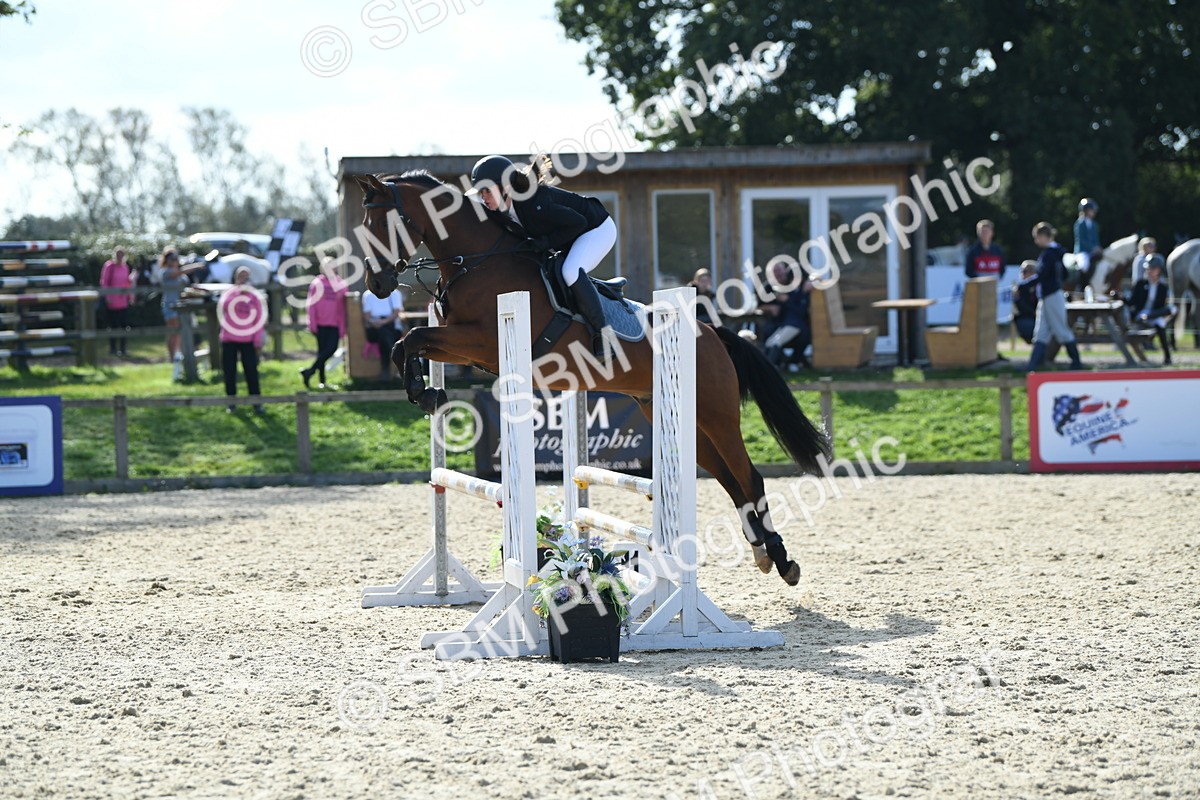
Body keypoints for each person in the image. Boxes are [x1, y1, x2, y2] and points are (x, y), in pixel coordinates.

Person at [467, 154, 615, 362]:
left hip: (596, 229)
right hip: (569, 235)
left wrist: (545, 243)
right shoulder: (501, 212)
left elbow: (578, 223)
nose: (484, 198)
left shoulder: (535, 202)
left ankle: (604, 336)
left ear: (506, 187)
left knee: (570, 272)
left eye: (487, 191)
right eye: (481, 192)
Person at [1027, 222, 1084, 371]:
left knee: (1061, 330)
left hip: (1052, 295)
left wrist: (1024, 285)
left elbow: (1042, 275)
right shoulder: (1055, 252)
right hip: (1048, 295)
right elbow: (1064, 274)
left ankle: (1076, 362)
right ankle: (1033, 364)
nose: (1036, 241)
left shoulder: (1049, 254)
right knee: (1041, 332)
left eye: (1037, 237)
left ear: (1043, 236)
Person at [218, 266, 266, 414]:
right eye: (240, 276)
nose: (243, 279)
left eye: (246, 276)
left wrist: (257, 341)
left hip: (248, 340)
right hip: (229, 339)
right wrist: (237, 292)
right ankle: (231, 402)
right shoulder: (229, 293)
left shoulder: (255, 297)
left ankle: (256, 403)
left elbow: (259, 320)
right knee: (229, 371)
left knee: (251, 371)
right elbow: (223, 307)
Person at [302, 262, 348, 388]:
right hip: (320, 324)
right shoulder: (317, 283)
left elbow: (344, 305)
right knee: (321, 352)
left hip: (335, 324)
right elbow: (311, 305)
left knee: (331, 349)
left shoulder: (340, 284)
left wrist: (343, 326)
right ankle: (322, 381)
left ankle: (309, 372)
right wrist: (312, 323)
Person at [761, 262, 813, 370]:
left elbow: (800, 311)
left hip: (796, 325)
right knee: (769, 342)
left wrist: (787, 301)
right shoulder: (791, 290)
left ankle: (768, 369)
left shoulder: (803, 291)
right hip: (786, 324)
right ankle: (765, 367)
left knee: (776, 343)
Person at [1129, 260, 1175, 365]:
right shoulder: (1140, 284)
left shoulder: (1162, 288)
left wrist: (1151, 315)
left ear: (1158, 270)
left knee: (1160, 323)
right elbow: (1131, 302)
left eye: (1152, 269)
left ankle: (1167, 356)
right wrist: (1120, 297)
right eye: (1148, 269)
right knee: (1159, 319)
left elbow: (1161, 307)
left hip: (1153, 315)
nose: (1149, 271)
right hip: (1140, 315)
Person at [99, 246, 137, 356]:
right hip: (111, 301)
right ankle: (113, 348)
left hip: (123, 301)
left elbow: (126, 284)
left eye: (122, 255)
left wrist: (130, 296)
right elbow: (104, 282)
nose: (120, 257)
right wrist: (107, 297)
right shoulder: (109, 266)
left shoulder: (125, 267)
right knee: (113, 325)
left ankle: (123, 349)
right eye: (118, 254)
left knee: (124, 326)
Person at [158, 247, 190, 374]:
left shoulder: (179, 272)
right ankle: (172, 357)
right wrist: (197, 266)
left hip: (181, 305)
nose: (174, 261)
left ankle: (177, 355)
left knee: (179, 332)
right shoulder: (165, 272)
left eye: (176, 258)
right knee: (173, 331)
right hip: (169, 305)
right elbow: (179, 273)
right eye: (171, 259)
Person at [362, 286, 404, 380]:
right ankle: (394, 355)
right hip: (374, 328)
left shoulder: (395, 293)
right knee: (384, 335)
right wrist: (374, 322)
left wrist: (383, 322)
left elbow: (396, 313)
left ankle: (385, 370)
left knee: (384, 335)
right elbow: (367, 315)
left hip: (391, 327)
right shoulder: (368, 295)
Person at [1073, 198, 1102, 286]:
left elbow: (1096, 239)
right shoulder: (1079, 224)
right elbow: (1081, 240)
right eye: (1092, 210)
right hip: (1082, 251)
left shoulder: (1095, 225)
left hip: (1093, 251)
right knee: (1084, 266)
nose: (1094, 212)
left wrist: (1098, 247)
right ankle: (1080, 286)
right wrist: (1093, 248)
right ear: (1086, 210)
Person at [1013, 260, 1039, 345]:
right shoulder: (1020, 288)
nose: (1022, 273)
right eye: (1021, 271)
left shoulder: (1040, 285)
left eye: (1025, 271)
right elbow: (1021, 306)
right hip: (1027, 317)